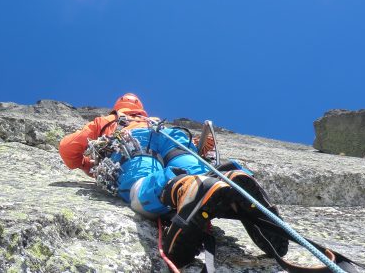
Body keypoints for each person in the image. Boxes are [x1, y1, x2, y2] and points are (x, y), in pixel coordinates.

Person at [58, 93, 288, 269]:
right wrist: (200, 144)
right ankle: (231, 180)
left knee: (142, 187)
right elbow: (196, 147)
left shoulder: (108, 120)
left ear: (117, 107)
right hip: (174, 140)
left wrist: (90, 167)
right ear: (141, 109)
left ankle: (185, 189)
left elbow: (68, 148)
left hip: (133, 145)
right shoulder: (155, 121)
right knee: (198, 172)